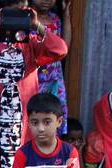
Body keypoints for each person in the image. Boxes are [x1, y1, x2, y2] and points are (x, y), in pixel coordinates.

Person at [0, 2, 67, 168]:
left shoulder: (32, 45)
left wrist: (37, 26)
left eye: (21, 14)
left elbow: (60, 50)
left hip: (24, 124)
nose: (16, 18)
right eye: (10, 14)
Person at [30, 0, 70, 132]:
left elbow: (65, 46)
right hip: (34, 78)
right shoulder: (27, 19)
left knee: (53, 117)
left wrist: (66, 14)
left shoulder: (55, 19)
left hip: (54, 80)